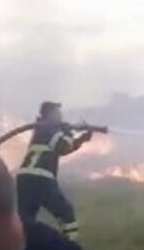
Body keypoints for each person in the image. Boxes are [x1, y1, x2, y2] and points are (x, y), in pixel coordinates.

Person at [16, 101, 96, 239]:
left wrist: (81, 139)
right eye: (57, 113)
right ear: (49, 115)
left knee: (25, 219)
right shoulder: (49, 128)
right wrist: (68, 130)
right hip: (40, 177)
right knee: (66, 213)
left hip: (24, 178)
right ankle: (69, 249)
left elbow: (63, 149)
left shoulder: (43, 129)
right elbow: (62, 144)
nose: (60, 116)